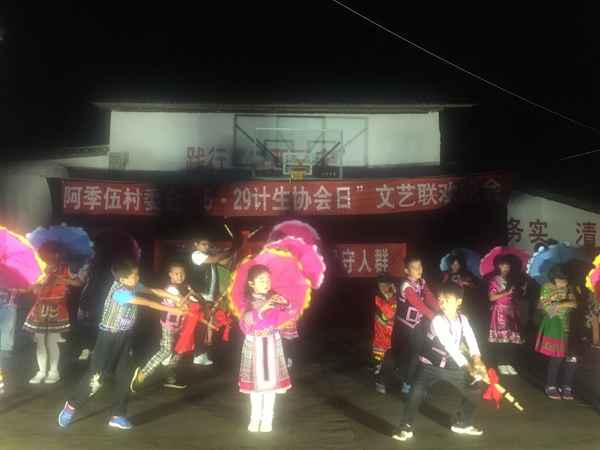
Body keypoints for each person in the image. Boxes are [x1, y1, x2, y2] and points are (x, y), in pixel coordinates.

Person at [58, 258, 188, 430]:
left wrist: (175, 297)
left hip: (125, 337)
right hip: (108, 338)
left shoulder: (132, 285)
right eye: (135, 275)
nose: (138, 277)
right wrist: (174, 309)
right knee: (96, 378)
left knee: (125, 376)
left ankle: (117, 415)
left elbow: (153, 291)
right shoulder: (119, 292)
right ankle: (71, 406)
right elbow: (148, 302)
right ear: (123, 279)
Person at [392, 281, 485, 442]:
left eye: (447, 300)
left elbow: (470, 337)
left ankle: (461, 423)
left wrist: (477, 358)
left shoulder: (463, 319)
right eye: (440, 299)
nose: (442, 303)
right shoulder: (437, 320)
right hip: (430, 364)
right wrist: (469, 366)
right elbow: (450, 345)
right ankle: (405, 427)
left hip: (453, 364)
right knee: (416, 393)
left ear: (458, 301)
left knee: (474, 393)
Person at [238, 264, 297, 433]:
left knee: (272, 383)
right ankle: (255, 417)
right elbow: (244, 324)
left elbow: (294, 313)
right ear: (251, 283)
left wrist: (285, 302)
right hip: (254, 342)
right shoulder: (247, 302)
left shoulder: (275, 299)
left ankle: (267, 417)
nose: (266, 283)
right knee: (255, 384)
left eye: (268, 279)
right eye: (261, 280)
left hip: (272, 341)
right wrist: (262, 309)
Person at [130, 261, 199, 392]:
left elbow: (195, 297)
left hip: (181, 324)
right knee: (166, 350)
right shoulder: (172, 288)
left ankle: (171, 378)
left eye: (182, 273)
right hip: (169, 324)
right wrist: (198, 308)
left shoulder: (186, 285)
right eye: (176, 274)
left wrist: (205, 304)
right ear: (170, 275)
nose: (180, 276)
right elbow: (185, 301)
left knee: (179, 350)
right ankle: (142, 374)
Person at [375, 255, 439, 394]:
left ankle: (408, 383)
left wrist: (441, 309)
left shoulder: (422, 282)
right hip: (402, 325)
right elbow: (417, 303)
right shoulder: (406, 285)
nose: (418, 270)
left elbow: (429, 296)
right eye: (414, 268)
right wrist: (433, 315)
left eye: (420, 266)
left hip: (415, 325)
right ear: (406, 270)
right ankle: (381, 379)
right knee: (395, 355)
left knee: (417, 353)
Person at [23, 241, 83, 384]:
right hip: (40, 306)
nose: (44, 256)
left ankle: (54, 371)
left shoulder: (64, 269)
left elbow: (79, 282)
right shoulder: (39, 269)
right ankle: (41, 371)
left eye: (48, 253)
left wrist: (65, 279)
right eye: (43, 254)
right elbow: (35, 290)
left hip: (57, 306)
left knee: (51, 341)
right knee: (40, 341)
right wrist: (47, 284)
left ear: (56, 255)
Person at [189, 235, 240, 365]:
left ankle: (199, 353)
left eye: (208, 244)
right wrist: (234, 247)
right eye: (203, 244)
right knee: (200, 326)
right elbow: (217, 258)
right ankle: (197, 354)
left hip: (208, 297)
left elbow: (222, 262)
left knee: (203, 326)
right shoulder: (196, 255)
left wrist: (235, 249)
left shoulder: (207, 258)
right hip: (201, 297)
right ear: (195, 244)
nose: (207, 246)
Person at [535, 264, 578, 400]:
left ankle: (567, 385)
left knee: (572, 357)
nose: (561, 283)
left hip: (570, 325)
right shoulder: (547, 287)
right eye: (559, 280)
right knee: (557, 356)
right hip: (554, 324)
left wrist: (574, 298)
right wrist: (564, 304)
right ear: (553, 277)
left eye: (564, 280)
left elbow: (575, 307)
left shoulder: (570, 288)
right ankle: (551, 385)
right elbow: (546, 308)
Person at [487, 255, 524, 375]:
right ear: (498, 266)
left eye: (508, 265)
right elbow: (492, 297)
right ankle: (501, 363)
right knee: (503, 339)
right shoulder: (494, 280)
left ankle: (509, 363)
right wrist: (507, 292)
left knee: (513, 339)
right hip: (500, 311)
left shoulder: (513, 279)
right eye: (503, 265)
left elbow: (519, 296)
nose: (506, 268)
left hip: (512, 311)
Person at [367, 272, 397, 371]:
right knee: (380, 344)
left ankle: (391, 363)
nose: (383, 288)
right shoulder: (379, 297)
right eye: (381, 286)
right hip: (381, 326)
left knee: (393, 344)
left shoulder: (397, 295)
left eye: (385, 285)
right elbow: (388, 311)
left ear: (391, 284)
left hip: (394, 326)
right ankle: (377, 361)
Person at [0, 288, 19, 358]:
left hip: (10, 305)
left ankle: (5, 350)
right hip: (8, 304)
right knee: (7, 328)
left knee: (7, 328)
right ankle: (5, 350)